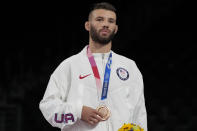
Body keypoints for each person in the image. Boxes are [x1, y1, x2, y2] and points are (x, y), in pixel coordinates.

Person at [39, 2, 147, 131]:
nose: (106, 24)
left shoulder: (129, 66)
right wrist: (78, 112)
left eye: (111, 21)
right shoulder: (69, 66)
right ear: (88, 25)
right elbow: (48, 107)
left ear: (116, 28)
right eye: (99, 19)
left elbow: (139, 112)